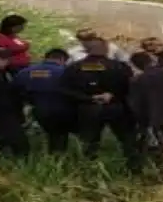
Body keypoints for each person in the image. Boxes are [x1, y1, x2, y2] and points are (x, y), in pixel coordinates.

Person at [60, 38, 142, 172]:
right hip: (117, 107)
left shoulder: (74, 68)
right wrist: (113, 95)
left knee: (90, 142)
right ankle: (134, 169)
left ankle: (88, 171)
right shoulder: (120, 66)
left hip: (88, 108)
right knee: (127, 139)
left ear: (87, 50)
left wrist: (89, 98)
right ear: (106, 49)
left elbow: (64, 90)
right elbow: (131, 88)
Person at [14, 48, 77, 154]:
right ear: (62, 59)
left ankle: (47, 155)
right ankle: (57, 159)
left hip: (38, 110)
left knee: (49, 133)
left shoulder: (25, 72)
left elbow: (15, 91)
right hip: (62, 110)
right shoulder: (66, 72)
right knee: (59, 136)